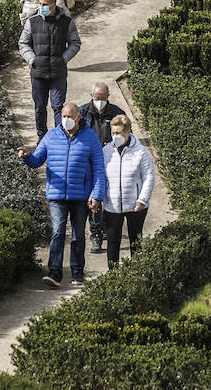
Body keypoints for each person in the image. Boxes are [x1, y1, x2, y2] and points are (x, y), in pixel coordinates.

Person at [19, 101, 105, 287]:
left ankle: (77, 273)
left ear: (78, 117)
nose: (66, 120)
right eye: (63, 116)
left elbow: (99, 169)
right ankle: (55, 273)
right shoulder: (51, 136)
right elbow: (37, 160)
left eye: (69, 117)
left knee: (78, 235)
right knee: (58, 232)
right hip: (56, 195)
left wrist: (97, 194)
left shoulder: (90, 138)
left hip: (81, 196)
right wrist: (27, 156)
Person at [18, 0, 82, 139]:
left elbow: (75, 43)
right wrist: (32, 59)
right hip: (38, 73)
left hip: (58, 74)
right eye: (40, 3)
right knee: (40, 107)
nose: (42, 7)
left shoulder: (67, 22)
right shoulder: (32, 22)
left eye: (45, 4)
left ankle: (59, 137)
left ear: (54, 5)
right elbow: (23, 43)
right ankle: (42, 136)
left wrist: (63, 59)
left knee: (58, 107)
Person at [101, 114, 155, 268]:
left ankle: (136, 273)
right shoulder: (106, 151)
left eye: (118, 133)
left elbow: (149, 176)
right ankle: (113, 276)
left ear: (128, 131)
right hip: (112, 206)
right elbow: (100, 176)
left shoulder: (140, 152)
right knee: (112, 241)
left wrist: (142, 200)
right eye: (113, 133)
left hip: (135, 206)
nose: (115, 136)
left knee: (136, 240)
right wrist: (101, 197)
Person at [78, 80, 125, 251]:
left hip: (112, 162)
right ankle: (95, 234)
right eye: (97, 98)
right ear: (91, 96)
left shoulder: (117, 114)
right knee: (95, 198)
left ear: (108, 97)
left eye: (103, 98)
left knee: (109, 197)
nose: (100, 101)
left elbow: (127, 137)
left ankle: (104, 227)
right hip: (89, 163)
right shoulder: (82, 113)